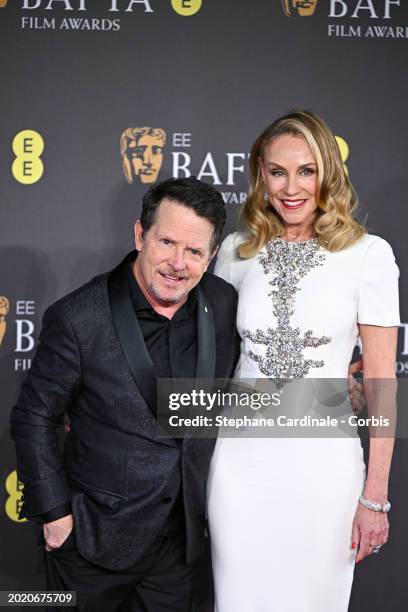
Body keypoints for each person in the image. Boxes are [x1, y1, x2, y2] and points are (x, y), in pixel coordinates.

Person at [10, 177, 240, 612]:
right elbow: (33, 418)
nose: (177, 263)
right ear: (140, 234)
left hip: (180, 547)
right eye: (167, 242)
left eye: (194, 251)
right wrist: (56, 517)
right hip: (91, 542)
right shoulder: (79, 317)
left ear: (211, 256)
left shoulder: (223, 303)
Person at [207, 110, 399, 612]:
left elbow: (380, 381)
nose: (291, 187)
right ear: (260, 176)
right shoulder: (234, 252)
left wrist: (374, 495)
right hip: (239, 467)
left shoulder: (368, 255)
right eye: (277, 172)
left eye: (306, 171)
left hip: (324, 470)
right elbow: (211, 358)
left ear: (328, 174)